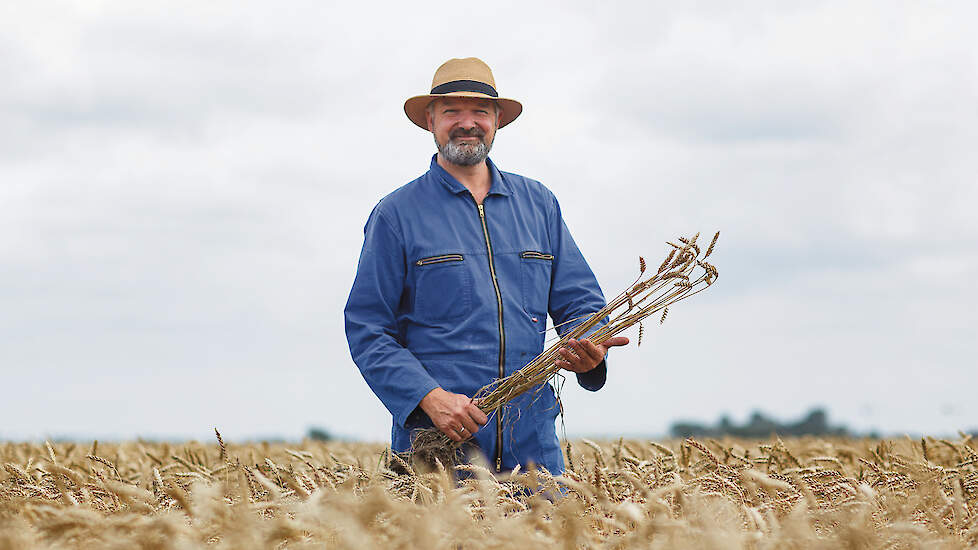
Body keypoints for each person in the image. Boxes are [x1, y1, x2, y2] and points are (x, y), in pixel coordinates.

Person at [344, 57, 628, 474]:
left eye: (480, 111)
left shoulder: (539, 204)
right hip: (438, 448)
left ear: (497, 120)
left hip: (533, 450)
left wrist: (591, 347)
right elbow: (368, 329)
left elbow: (578, 302)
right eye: (451, 112)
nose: (467, 123)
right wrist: (428, 396)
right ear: (430, 121)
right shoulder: (396, 215)